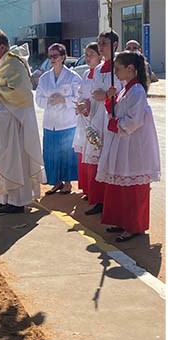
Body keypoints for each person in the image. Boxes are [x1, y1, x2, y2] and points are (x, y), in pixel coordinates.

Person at [0, 29, 44, 214]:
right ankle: (2, 198)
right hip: (0, 124)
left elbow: (20, 94)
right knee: (0, 161)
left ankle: (17, 201)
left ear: (2, 47)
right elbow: (1, 89)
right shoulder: (3, 63)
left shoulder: (14, 64)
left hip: (13, 123)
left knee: (13, 161)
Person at [96, 50, 159, 242]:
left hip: (134, 144)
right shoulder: (125, 88)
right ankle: (122, 221)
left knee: (133, 186)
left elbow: (134, 120)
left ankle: (134, 226)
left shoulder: (137, 90)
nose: (115, 73)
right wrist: (111, 100)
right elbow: (117, 110)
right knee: (121, 182)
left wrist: (116, 124)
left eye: (118, 68)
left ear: (130, 69)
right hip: (124, 143)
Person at [83, 29, 122, 216]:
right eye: (98, 44)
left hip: (112, 118)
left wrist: (106, 95)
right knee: (96, 160)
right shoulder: (98, 69)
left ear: (114, 45)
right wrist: (87, 104)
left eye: (104, 44)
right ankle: (98, 200)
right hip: (98, 117)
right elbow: (93, 92)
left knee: (112, 160)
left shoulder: (120, 67)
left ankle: (112, 201)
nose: (100, 47)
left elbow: (122, 93)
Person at [35, 43, 81, 195]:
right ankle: (56, 182)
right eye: (50, 56)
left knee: (67, 154)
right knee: (51, 153)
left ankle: (67, 182)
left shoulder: (73, 77)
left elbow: (79, 98)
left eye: (55, 56)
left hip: (67, 123)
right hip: (50, 123)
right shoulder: (44, 78)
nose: (52, 59)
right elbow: (38, 98)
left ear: (63, 57)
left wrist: (64, 100)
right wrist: (48, 101)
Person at [72, 42, 101, 199]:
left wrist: (87, 104)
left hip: (95, 117)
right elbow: (81, 93)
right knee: (84, 154)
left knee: (94, 155)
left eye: (91, 55)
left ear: (100, 56)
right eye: (86, 55)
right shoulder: (85, 74)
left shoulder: (101, 73)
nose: (88, 58)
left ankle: (96, 193)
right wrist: (80, 104)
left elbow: (97, 96)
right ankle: (87, 189)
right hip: (84, 119)